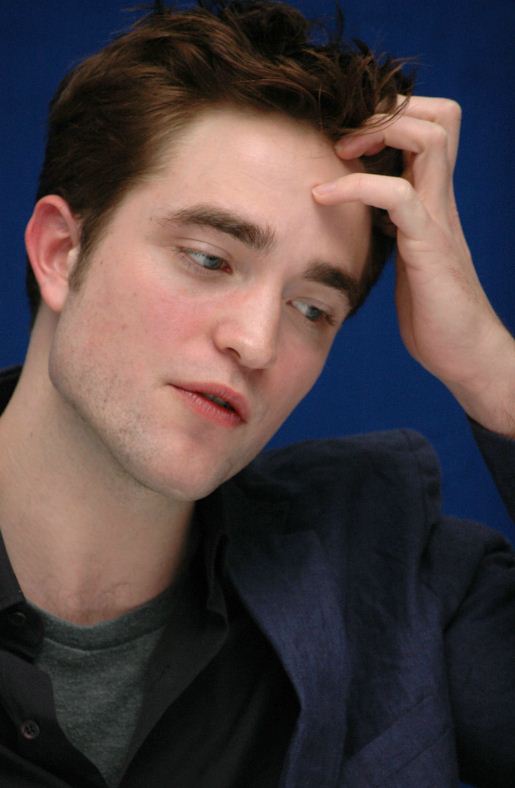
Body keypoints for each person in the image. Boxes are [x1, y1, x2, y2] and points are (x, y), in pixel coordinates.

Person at [0, 0, 513, 786]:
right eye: (209, 259)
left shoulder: (392, 580)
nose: (257, 342)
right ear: (62, 252)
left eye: (311, 308)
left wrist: (489, 368)